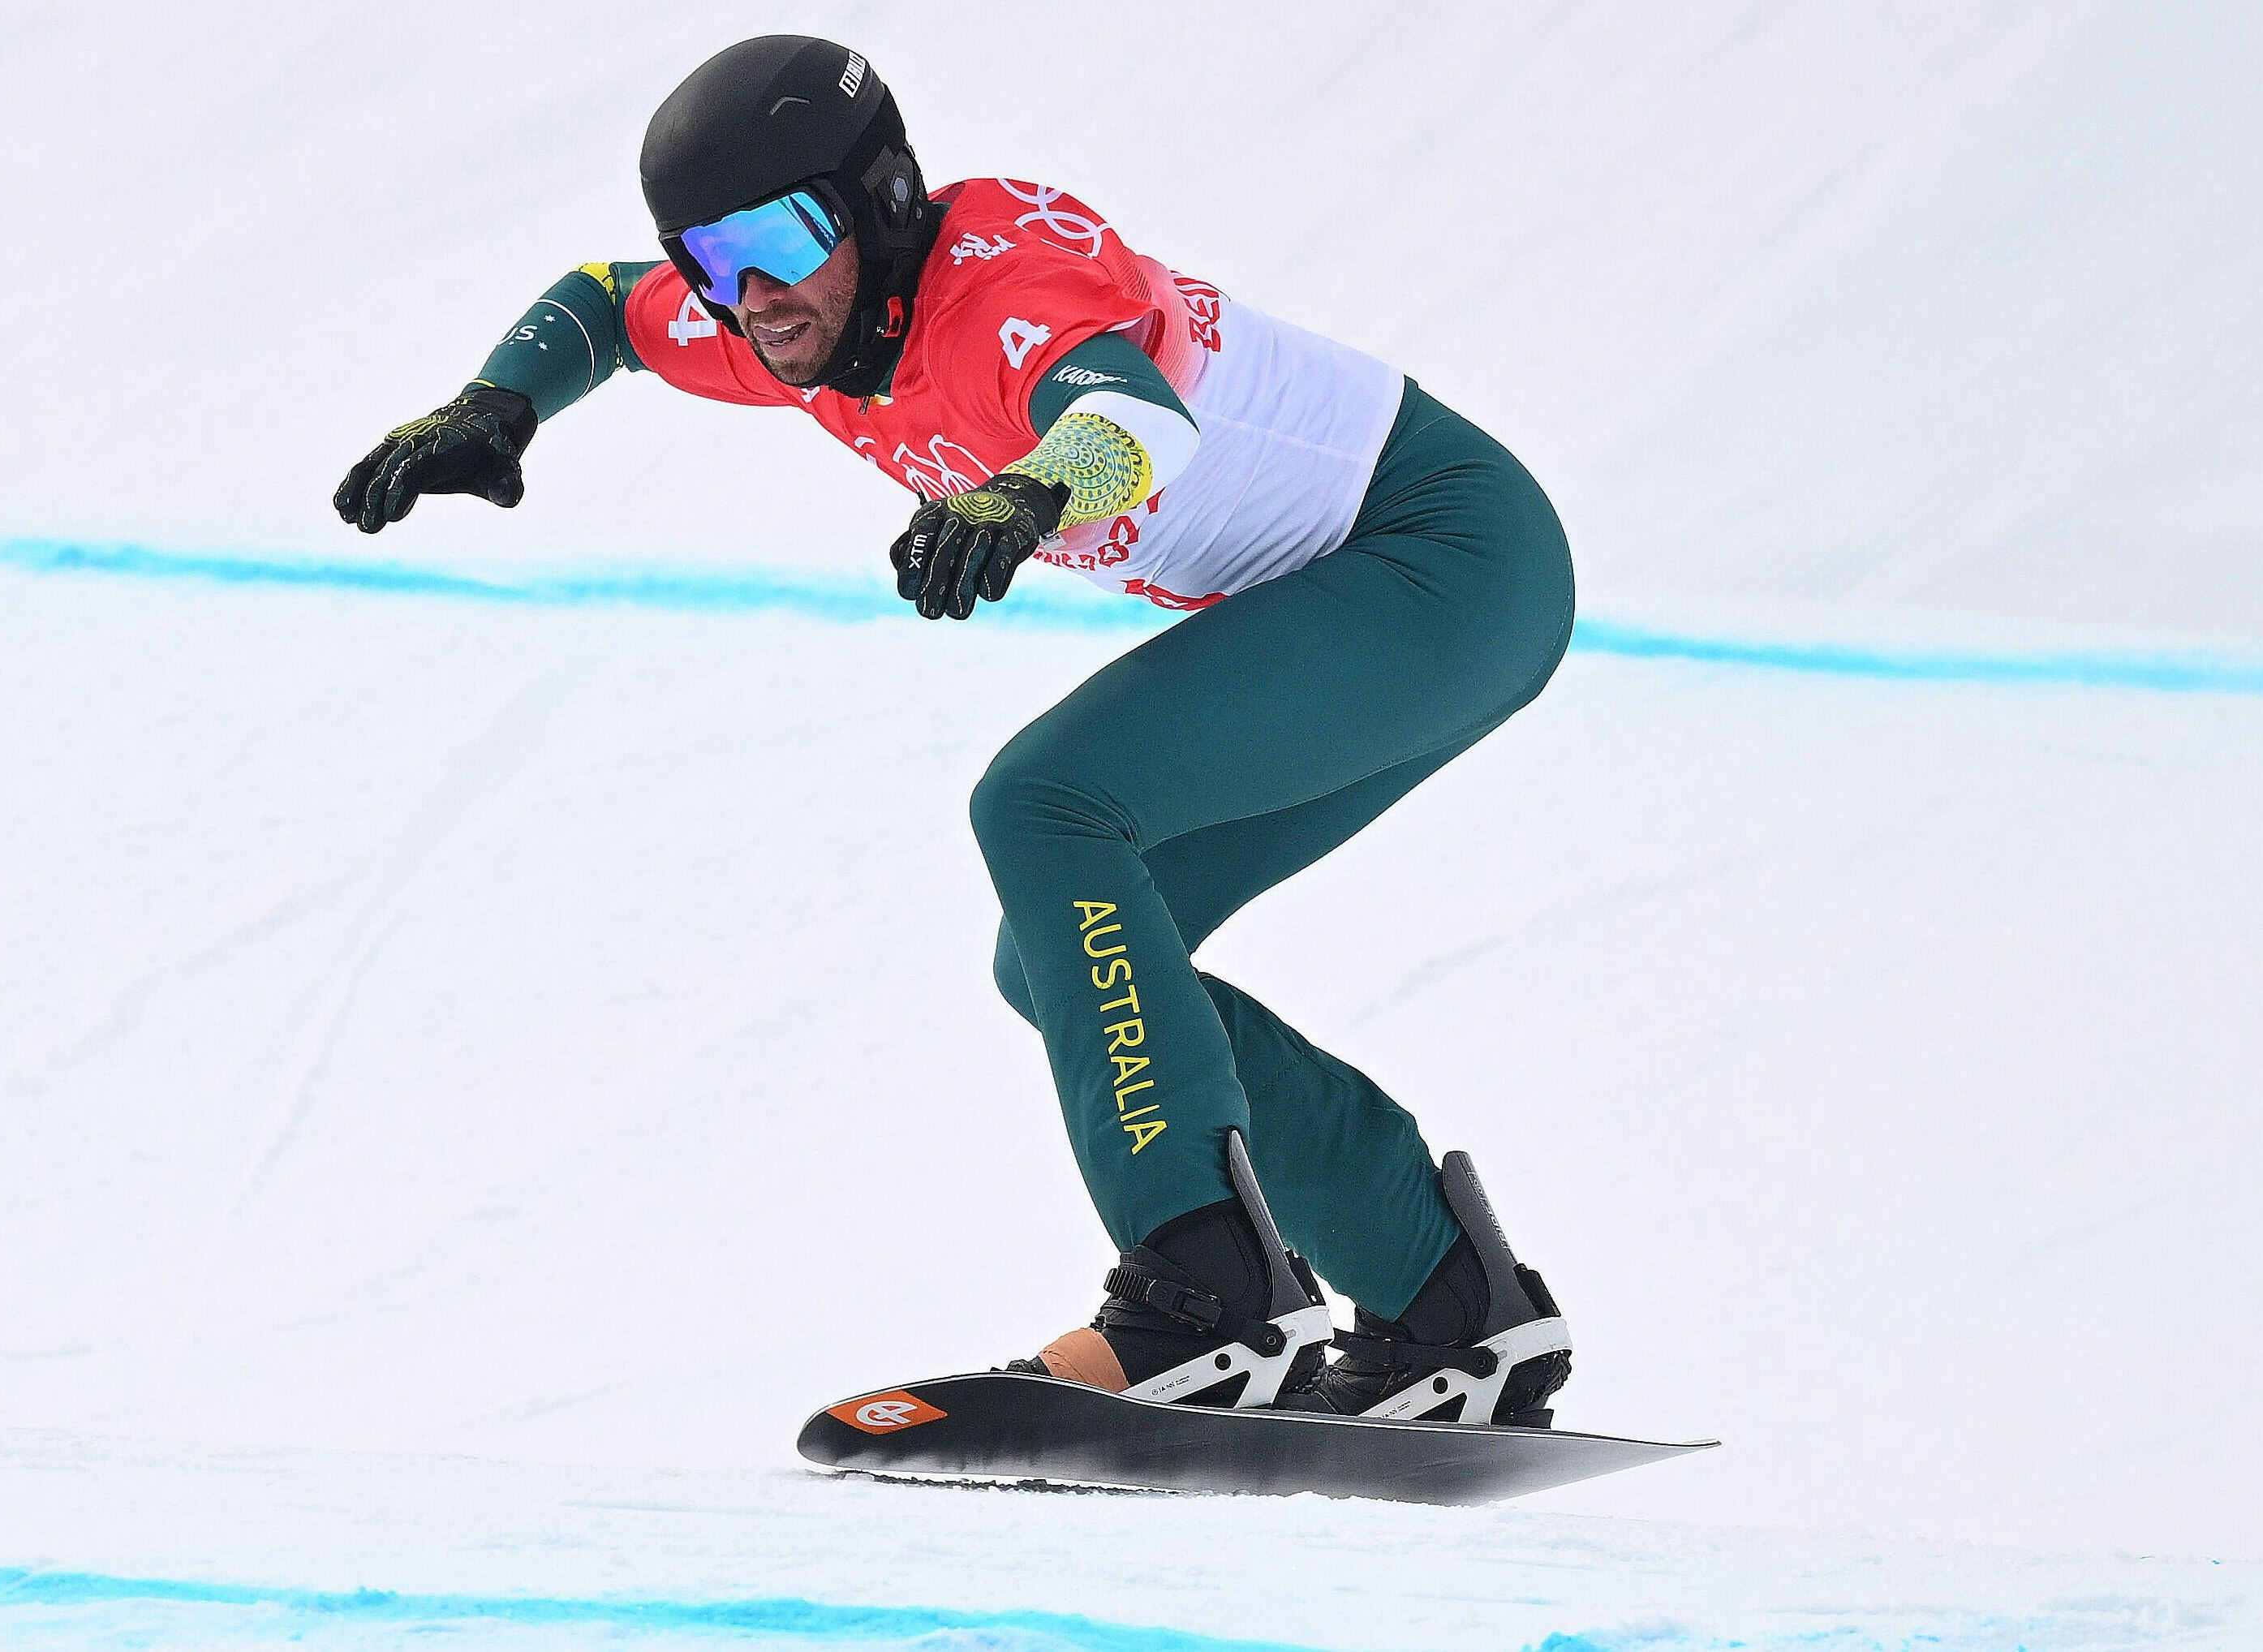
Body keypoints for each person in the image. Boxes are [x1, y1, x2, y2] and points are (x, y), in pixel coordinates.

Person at [335, 36, 1577, 1426]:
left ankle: (1205, 1292)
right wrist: (498, 404)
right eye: (706, 254)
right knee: (1066, 956)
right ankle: (1443, 1297)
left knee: (1046, 804)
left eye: (777, 236)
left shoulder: (1005, 289)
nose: (744, 292)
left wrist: (1028, 492)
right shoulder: (782, 324)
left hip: (1443, 557)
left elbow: (1128, 411)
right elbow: (603, 305)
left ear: (879, 202)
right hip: (1388, 587)